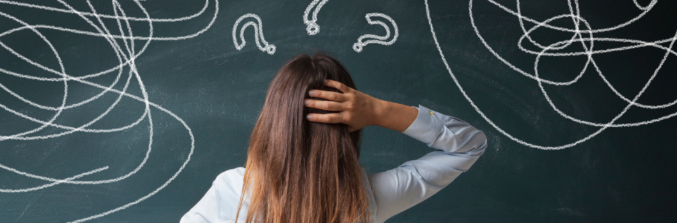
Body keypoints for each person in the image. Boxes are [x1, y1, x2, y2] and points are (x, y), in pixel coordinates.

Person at [181, 53, 488, 223]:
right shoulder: (368, 200)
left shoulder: (234, 189)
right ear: (349, 129)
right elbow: (469, 146)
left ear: (272, 121)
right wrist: (379, 110)